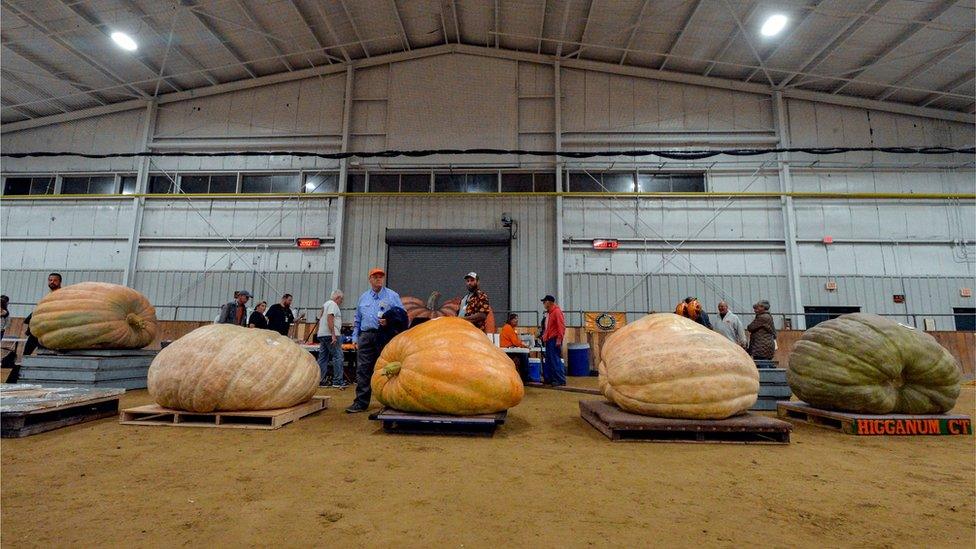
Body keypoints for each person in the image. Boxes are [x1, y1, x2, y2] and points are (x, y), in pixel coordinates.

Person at [347, 267, 403, 413]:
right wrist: (355, 337)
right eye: (375, 277)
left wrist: (389, 322)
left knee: (388, 368)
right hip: (366, 336)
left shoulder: (393, 296)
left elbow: (402, 316)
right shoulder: (363, 298)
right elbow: (357, 319)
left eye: (380, 277)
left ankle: (390, 402)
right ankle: (361, 402)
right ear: (370, 279)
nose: (378, 279)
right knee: (363, 369)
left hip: (384, 336)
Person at [23, 273, 62, 357]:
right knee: (34, 340)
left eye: (55, 280)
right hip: (43, 325)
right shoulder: (49, 295)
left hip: (53, 325)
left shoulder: (62, 294)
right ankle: (26, 358)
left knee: (38, 343)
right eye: (50, 280)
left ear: (60, 282)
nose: (52, 282)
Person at [317, 290, 346, 388]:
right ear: (338, 298)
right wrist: (333, 334)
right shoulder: (333, 304)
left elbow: (320, 317)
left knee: (323, 357)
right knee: (338, 356)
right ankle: (337, 381)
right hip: (331, 334)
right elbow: (330, 318)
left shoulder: (325, 304)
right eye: (341, 300)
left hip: (322, 334)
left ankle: (320, 380)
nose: (341, 302)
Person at [540, 295, 566, 387]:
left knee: (555, 359)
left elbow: (561, 326)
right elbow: (548, 327)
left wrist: (559, 339)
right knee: (550, 360)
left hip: (554, 339)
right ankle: (551, 378)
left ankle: (560, 379)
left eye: (544, 302)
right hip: (550, 339)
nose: (543, 303)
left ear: (549, 302)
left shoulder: (556, 312)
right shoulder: (550, 313)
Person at [500, 313, 529, 380]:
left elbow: (516, 341)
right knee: (524, 355)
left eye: (517, 319)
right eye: (515, 319)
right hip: (508, 351)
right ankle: (525, 377)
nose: (516, 320)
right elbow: (515, 342)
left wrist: (522, 345)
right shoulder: (508, 328)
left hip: (509, 349)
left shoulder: (510, 328)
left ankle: (524, 376)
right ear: (510, 320)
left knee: (523, 354)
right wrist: (524, 346)